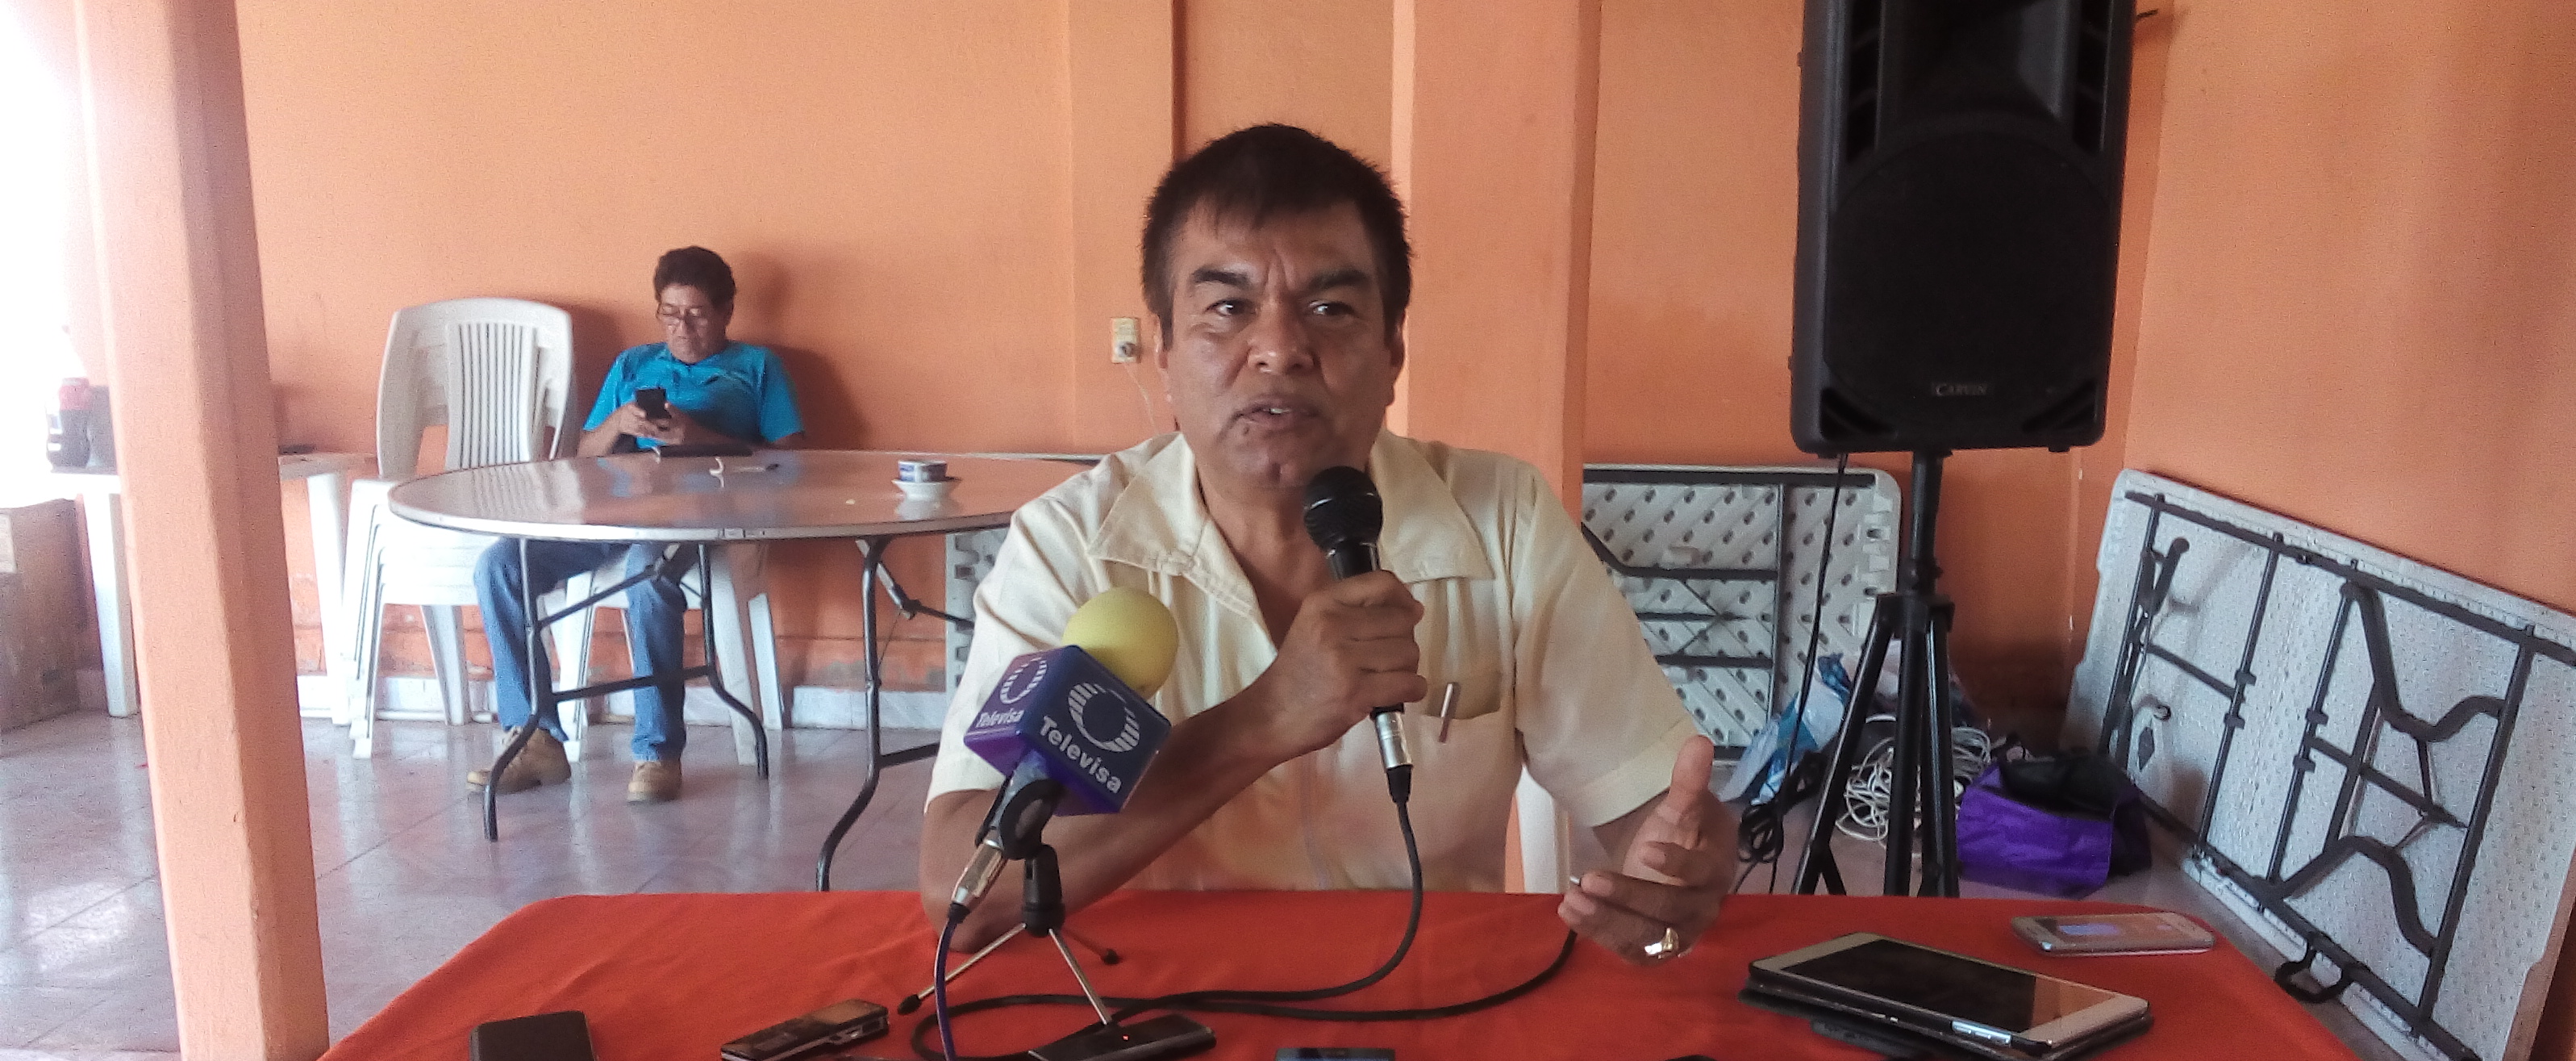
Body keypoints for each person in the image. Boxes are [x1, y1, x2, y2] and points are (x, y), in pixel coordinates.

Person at [917, 125, 1732, 964]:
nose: (1280, 349)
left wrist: (1679, 865)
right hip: (1160, 1005)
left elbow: (1654, 809)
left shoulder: (1503, 520)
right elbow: (960, 889)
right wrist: (1262, 720)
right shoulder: (1071, 547)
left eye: (1331, 309)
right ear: (1164, 349)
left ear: (1392, 349)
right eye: (1228, 308)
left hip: (1432, 993)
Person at [469, 246, 805, 804]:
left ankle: (657, 751)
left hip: (701, 516)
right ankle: (534, 738)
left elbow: (793, 459)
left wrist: (698, 438)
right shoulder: (632, 364)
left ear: (726, 312)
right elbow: (583, 454)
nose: (682, 328)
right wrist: (619, 423)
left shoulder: (756, 367)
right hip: (615, 510)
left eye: (696, 315)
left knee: (647, 575)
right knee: (502, 564)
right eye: (669, 314)